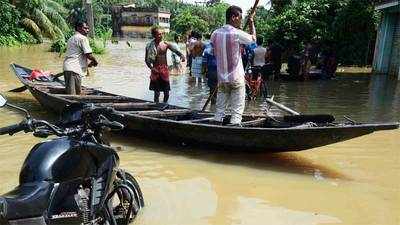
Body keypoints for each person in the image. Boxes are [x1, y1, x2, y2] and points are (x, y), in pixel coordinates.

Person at [211, 5, 256, 125]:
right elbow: (253, 40)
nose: (241, 21)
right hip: (236, 79)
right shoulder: (237, 33)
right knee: (236, 113)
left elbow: (215, 51)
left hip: (222, 79)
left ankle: (216, 128)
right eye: (240, 18)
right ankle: (234, 128)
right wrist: (251, 23)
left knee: (219, 111)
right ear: (234, 17)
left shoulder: (215, 34)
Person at [145, 27, 185, 103]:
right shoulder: (149, 46)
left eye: (161, 34)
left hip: (164, 70)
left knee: (166, 93)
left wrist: (182, 55)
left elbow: (175, 50)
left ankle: (164, 105)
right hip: (155, 70)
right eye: (159, 34)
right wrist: (151, 68)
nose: (161, 35)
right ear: (154, 35)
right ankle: (156, 106)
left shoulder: (165, 44)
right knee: (156, 93)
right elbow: (146, 60)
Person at [63, 21, 98, 95]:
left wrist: (88, 64)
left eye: (88, 28)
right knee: (73, 95)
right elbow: (88, 55)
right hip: (74, 69)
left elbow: (76, 55)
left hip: (69, 67)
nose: (87, 30)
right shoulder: (82, 38)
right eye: (85, 28)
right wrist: (95, 61)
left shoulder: (71, 38)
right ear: (78, 28)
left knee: (74, 93)